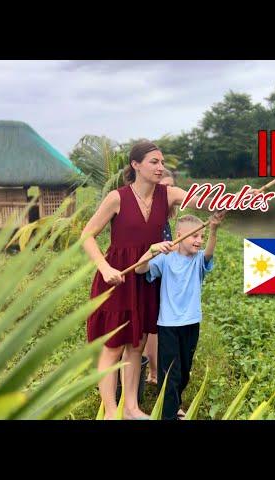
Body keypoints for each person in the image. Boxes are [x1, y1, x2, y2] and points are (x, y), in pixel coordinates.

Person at [81, 140, 208, 420]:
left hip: (147, 278)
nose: (160, 167)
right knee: (113, 346)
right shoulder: (117, 197)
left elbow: (202, 201)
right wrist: (103, 268)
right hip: (118, 277)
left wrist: (240, 200)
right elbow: (86, 235)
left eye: (162, 162)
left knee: (136, 345)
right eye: (154, 162)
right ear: (136, 165)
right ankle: (112, 411)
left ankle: (131, 408)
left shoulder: (168, 194)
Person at [135, 213, 222, 420]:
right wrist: (151, 250)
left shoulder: (198, 260)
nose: (199, 241)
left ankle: (173, 404)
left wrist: (213, 231)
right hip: (169, 325)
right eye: (195, 236)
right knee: (170, 372)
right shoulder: (165, 260)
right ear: (180, 235)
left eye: (201, 236)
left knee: (184, 371)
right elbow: (139, 269)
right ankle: (168, 414)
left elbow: (209, 253)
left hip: (192, 323)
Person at [144, 169, 176, 386]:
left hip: (162, 273)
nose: (168, 192)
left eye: (171, 187)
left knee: (155, 324)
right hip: (148, 273)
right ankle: (153, 373)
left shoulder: (167, 214)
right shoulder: (148, 214)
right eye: (164, 187)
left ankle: (154, 371)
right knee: (152, 325)